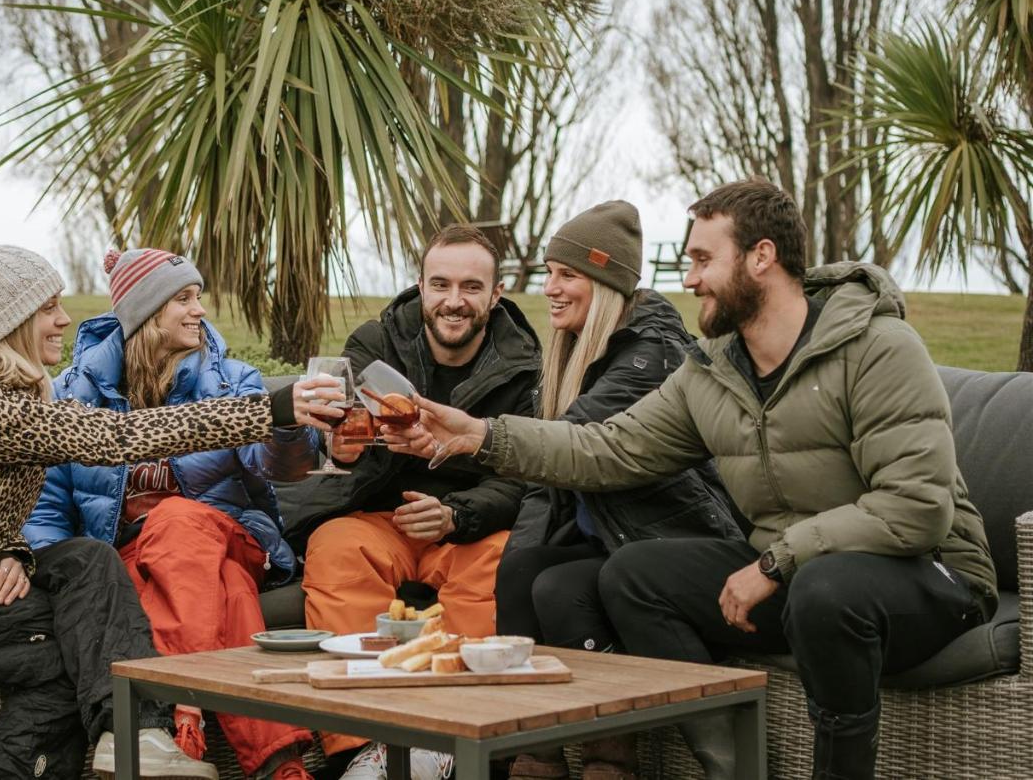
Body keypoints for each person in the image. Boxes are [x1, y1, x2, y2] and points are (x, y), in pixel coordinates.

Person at [387, 179, 998, 780]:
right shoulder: (714, 371)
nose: (689, 279)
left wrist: (774, 563)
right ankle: (734, 766)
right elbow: (610, 448)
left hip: (928, 574)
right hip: (795, 569)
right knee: (629, 575)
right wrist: (482, 436)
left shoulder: (878, 347)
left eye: (704, 260)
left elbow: (915, 508)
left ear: (761, 258)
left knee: (826, 590)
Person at [0, 232, 344, 780]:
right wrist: (273, 407)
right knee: (79, 639)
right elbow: (114, 439)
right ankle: (141, 733)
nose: (66, 319)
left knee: (85, 568)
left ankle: (137, 733)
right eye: (49, 308)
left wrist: (10, 548)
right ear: (10, 322)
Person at [24, 248, 318, 780]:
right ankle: (281, 764)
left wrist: (291, 426)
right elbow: (46, 505)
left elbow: (275, 465)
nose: (199, 310)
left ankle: (177, 720)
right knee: (225, 587)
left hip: (230, 535)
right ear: (145, 312)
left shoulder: (231, 380)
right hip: (135, 558)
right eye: (183, 298)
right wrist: (50, 572)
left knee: (178, 519)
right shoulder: (74, 395)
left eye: (198, 297)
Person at [495, 202, 742, 780]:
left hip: (675, 544)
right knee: (524, 570)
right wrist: (519, 562)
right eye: (549, 272)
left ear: (606, 282)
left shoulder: (651, 353)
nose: (550, 288)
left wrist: (476, 438)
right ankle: (537, 755)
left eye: (568, 275)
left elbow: (568, 445)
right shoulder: (570, 352)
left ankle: (610, 760)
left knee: (560, 586)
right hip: (614, 541)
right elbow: (541, 486)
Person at [294, 223, 541, 780]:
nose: (455, 302)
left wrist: (459, 512)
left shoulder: (526, 364)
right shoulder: (373, 344)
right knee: (334, 547)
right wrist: (345, 447)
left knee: (505, 561)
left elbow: (524, 472)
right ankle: (361, 745)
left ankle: (454, 739)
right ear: (421, 287)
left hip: (471, 524)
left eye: (472, 288)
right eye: (442, 284)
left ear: (496, 294)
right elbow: (341, 440)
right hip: (384, 517)